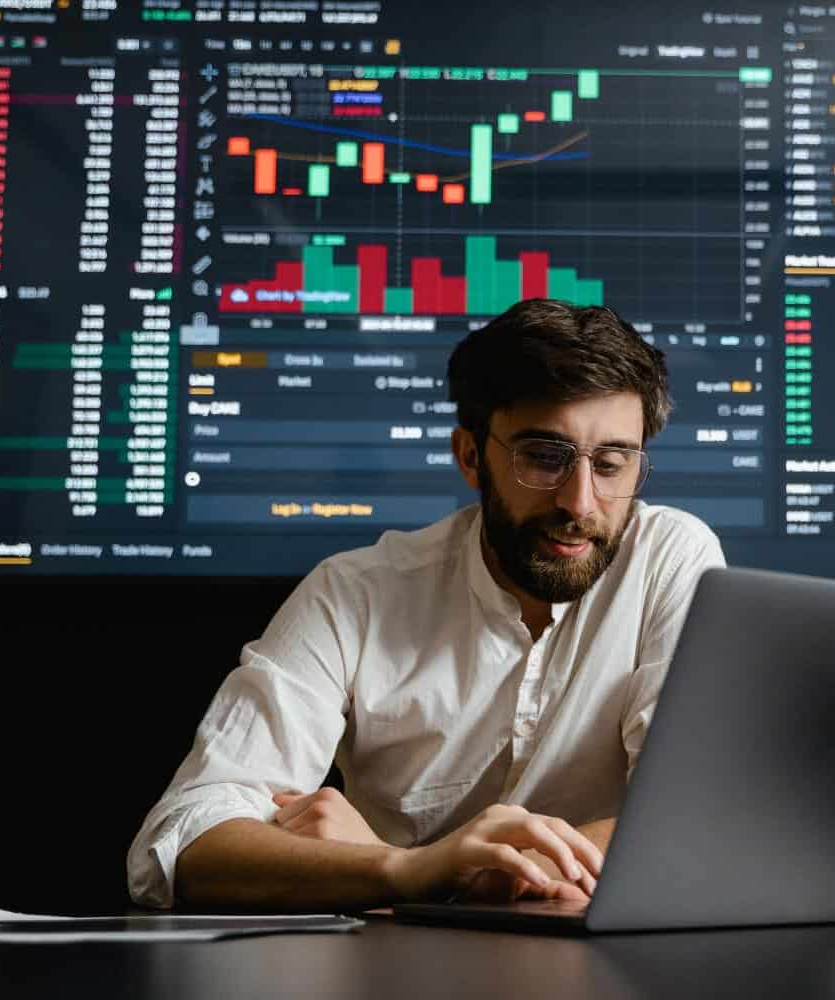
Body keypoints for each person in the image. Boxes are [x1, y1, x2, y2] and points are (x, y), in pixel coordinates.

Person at [126, 299, 726, 912]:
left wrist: (444, 873)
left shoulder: (671, 559)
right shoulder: (353, 593)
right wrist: (407, 869)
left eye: (611, 464)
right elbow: (180, 843)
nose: (580, 501)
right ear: (471, 456)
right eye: (544, 457)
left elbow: (698, 814)